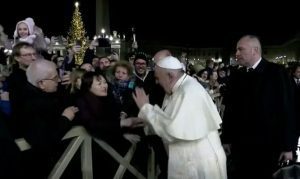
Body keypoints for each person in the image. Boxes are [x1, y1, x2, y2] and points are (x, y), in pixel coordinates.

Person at [132, 56, 227, 179]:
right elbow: (169, 120)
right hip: (191, 160)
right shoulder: (178, 88)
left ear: (170, 76)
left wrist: (146, 109)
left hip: (198, 164)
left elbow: (172, 131)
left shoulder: (188, 91)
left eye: (158, 78)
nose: (157, 82)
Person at [221, 35, 297, 179]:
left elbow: (289, 111)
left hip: (268, 147)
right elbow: (230, 110)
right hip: (240, 146)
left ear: (254, 50)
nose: (236, 53)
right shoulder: (237, 75)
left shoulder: (277, 73)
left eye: (240, 49)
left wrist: (288, 146)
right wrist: (226, 138)